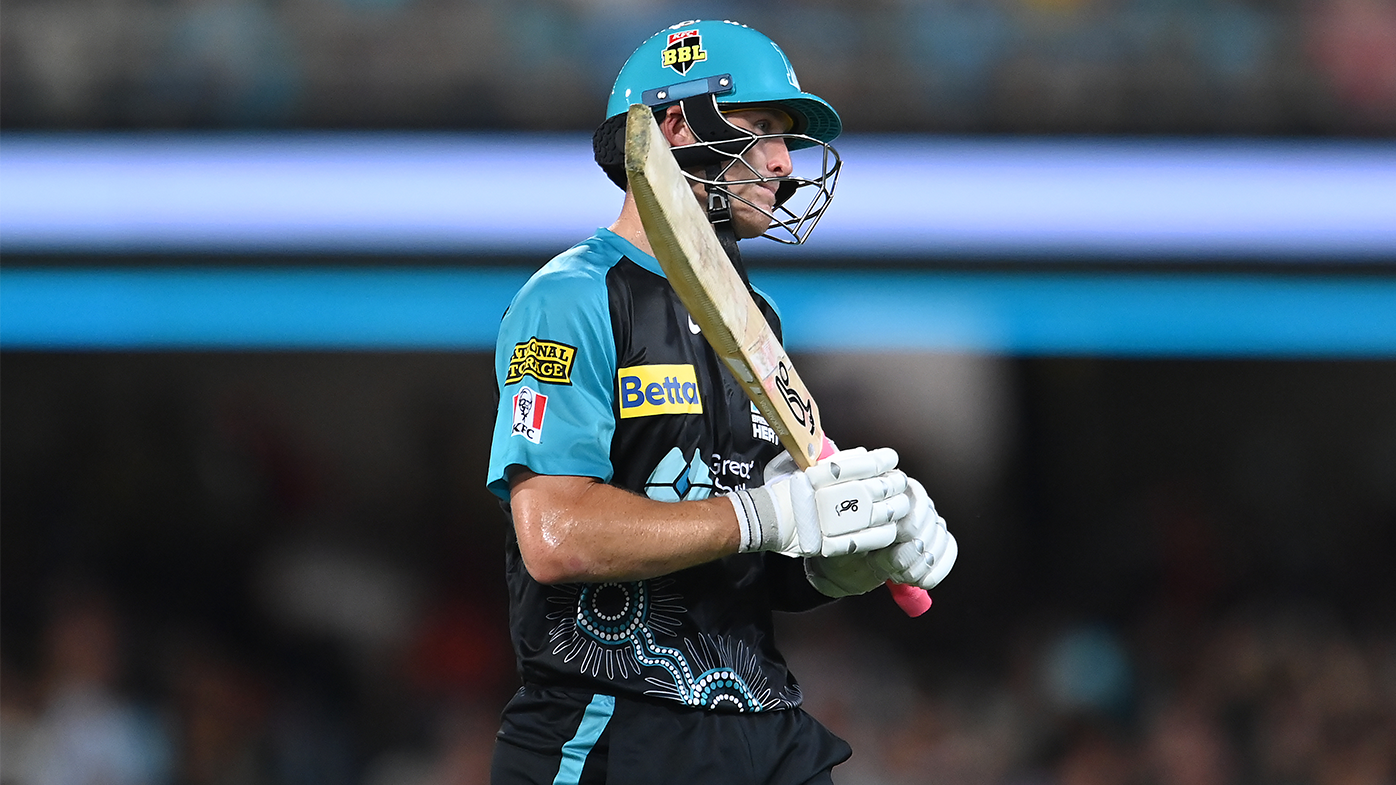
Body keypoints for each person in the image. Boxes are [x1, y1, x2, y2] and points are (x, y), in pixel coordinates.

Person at [485, 19, 958, 785]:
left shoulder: (754, 317)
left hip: (763, 723)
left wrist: (845, 559)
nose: (784, 161)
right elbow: (555, 535)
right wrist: (761, 515)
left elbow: (750, 559)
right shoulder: (571, 298)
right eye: (762, 127)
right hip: (612, 729)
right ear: (676, 125)